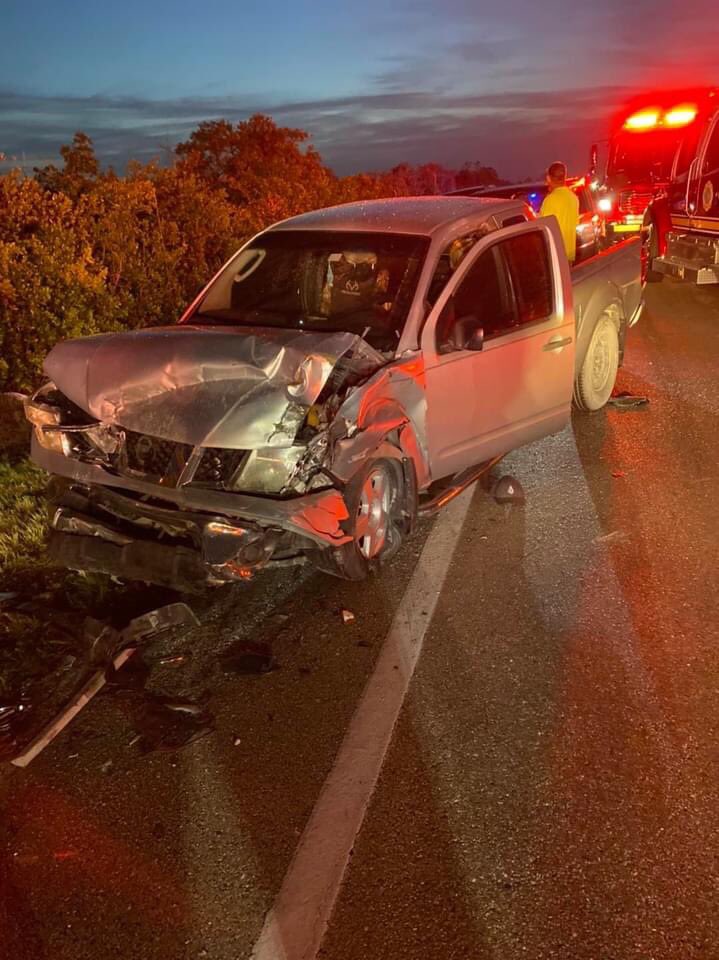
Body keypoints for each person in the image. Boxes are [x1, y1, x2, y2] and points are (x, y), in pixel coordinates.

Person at [539, 161, 579, 264]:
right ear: (565, 177)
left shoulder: (550, 200)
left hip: (555, 255)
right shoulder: (573, 198)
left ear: (548, 178)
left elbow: (543, 228)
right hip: (569, 254)